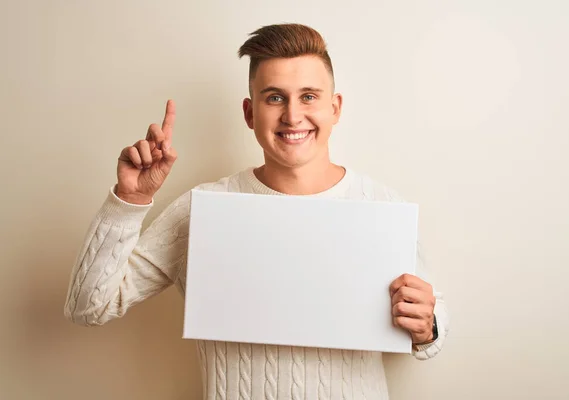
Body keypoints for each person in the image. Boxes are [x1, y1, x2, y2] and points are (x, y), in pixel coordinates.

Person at [64, 23, 449, 399]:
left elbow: (432, 322)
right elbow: (88, 307)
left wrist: (428, 325)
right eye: (275, 97)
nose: (293, 116)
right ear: (250, 113)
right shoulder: (202, 210)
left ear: (335, 108)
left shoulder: (382, 208)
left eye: (309, 96)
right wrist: (128, 200)